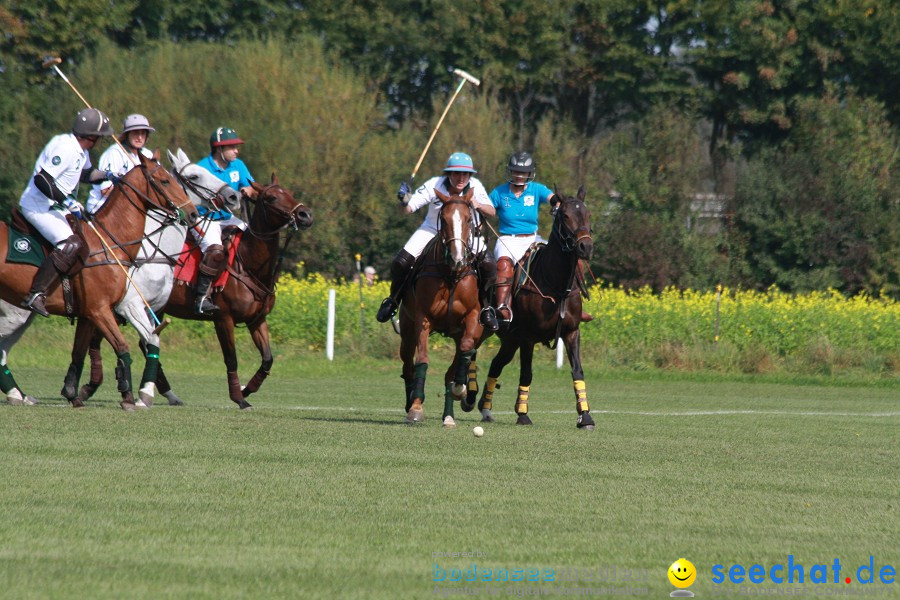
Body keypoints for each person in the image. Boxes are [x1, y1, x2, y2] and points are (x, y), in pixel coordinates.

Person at [376, 152, 500, 331]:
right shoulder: (434, 184)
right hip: (432, 230)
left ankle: (487, 308)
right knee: (401, 262)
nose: (461, 178)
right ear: (449, 174)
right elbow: (408, 209)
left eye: (465, 174)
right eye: (457, 173)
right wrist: (404, 200)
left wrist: (477, 204)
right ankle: (393, 300)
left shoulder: (475, 186)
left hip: (464, 234)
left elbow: (492, 211)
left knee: (489, 264)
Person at [19, 108, 117, 317]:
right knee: (69, 243)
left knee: (86, 237)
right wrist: (68, 201)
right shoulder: (66, 148)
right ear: (91, 136)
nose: (100, 140)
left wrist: (110, 175)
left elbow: (87, 174)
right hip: (37, 206)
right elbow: (42, 179)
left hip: (54, 207)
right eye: (100, 136)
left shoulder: (82, 151)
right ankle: (36, 293)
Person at [191, 126, 257, 314]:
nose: (236, 150)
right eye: (232, 147)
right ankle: (201, 299)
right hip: (205, 218)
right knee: (214, 249)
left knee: (252, 239)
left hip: (227, 218)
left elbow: (251, 186)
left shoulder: (238, 165)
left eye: (236, 146)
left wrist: (247, 191)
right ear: (219, 149)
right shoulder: (202, 168)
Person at [488, 151, 559, 323]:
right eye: (516, 171)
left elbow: (553, 198)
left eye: (524, 172)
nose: (519, 176)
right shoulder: (499, 192)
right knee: (504, 264)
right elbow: (489, 209)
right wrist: (478, 205)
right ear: (510, 171)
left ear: (530, 173)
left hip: (532, 239)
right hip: (508, 239)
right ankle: (503, 307)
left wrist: (558, 204)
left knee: (557, 259)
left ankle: (569, 306)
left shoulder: (536, 189)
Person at [87, 113, 156, 213]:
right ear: (126, 135)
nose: (140, 137)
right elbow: (105, 191)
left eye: (143, 133)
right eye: (136, 133)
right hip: (103, 208)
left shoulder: (147, 154)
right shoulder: (114, 153)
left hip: (133, 208)